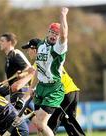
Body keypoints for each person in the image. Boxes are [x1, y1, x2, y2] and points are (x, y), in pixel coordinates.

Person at [22, 38, 85, 136]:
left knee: (47, 125)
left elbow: (33, 82)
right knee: (69, 123)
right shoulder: (49, 57)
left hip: (62, 94)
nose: (27, 52)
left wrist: (22, 99)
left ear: (35, 50)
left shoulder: (39, 63)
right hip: (72, 91)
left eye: (28, 49)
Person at [26, 7, 69, 136]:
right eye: (52, 32)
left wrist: (63, 15)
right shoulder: (41, 45)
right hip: (41, 88)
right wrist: (32, 88)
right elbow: (39, 70)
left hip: (54, 89)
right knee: (39, 127)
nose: (54, 36)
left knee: (41, 124)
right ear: (48, 32)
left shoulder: (59, 48)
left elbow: (64, 35)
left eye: (57, 34)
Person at [0, 32, 34, 112]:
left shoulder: (15, 53)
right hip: (15, 94)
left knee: (26, 121)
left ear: (9, 42)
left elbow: (32, 70)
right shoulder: (9, 57)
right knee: (28, 122)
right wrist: (3, 84)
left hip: (21, 93)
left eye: (2, 41)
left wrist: (22, 74)